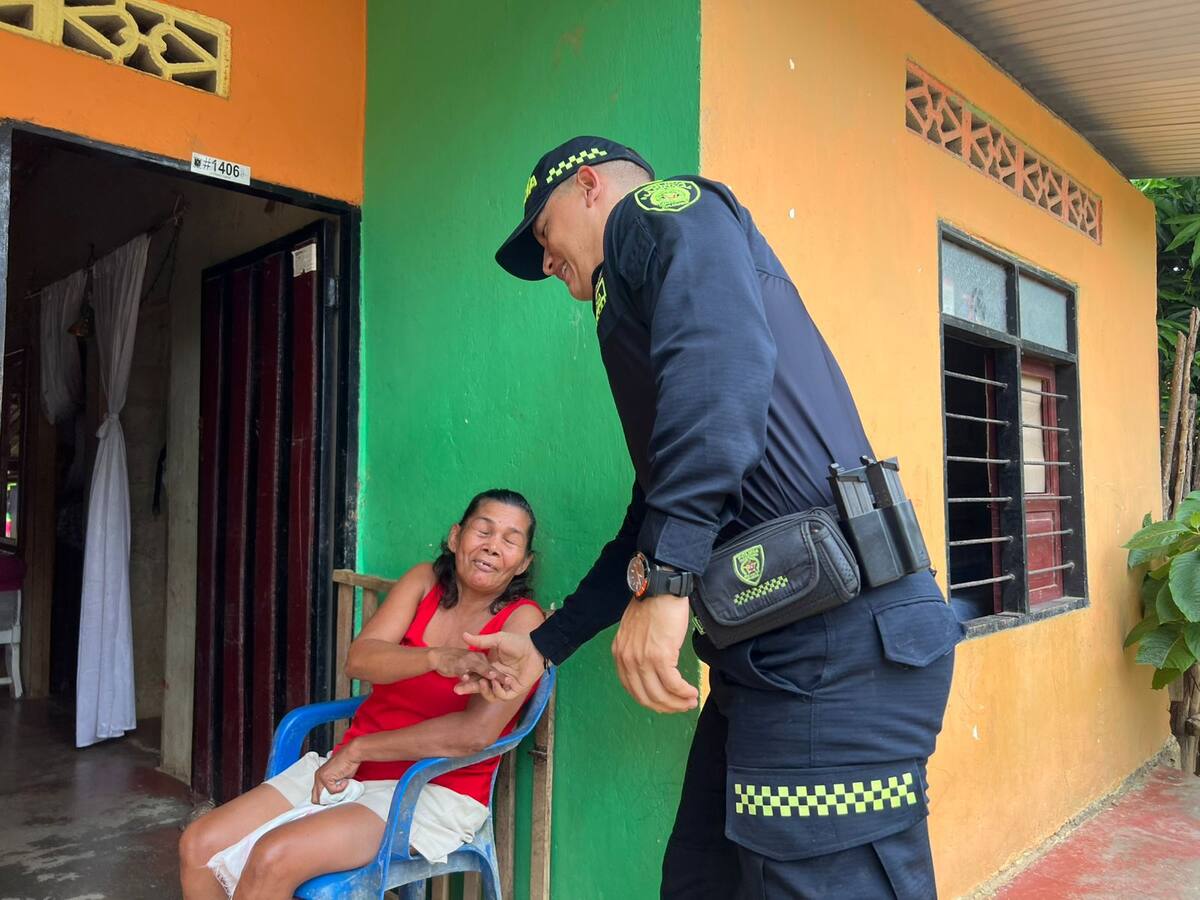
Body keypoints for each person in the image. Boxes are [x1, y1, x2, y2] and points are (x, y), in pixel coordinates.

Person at [470, 137, 965, 898]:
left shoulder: (660, 214)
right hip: (771, 657)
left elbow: (720, 365)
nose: (544, 263)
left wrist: (670, 583)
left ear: (592, 185)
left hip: (837, 649)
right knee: (702, 878)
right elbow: (655, 508)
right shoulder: (642, 304)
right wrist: (545, 643)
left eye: (543, 233)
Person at [178, 489, 544, 899]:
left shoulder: (523, 622)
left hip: (433, 790)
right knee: (199, 843)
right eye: (483, 530)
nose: (492, 546)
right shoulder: (424, 582)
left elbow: (473, 734)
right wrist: (436, 659)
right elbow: (361, 659)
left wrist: (360, 750)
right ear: (457, 536)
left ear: (523, 563)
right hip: (353, 769)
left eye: (510, 541)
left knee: (273, 857)